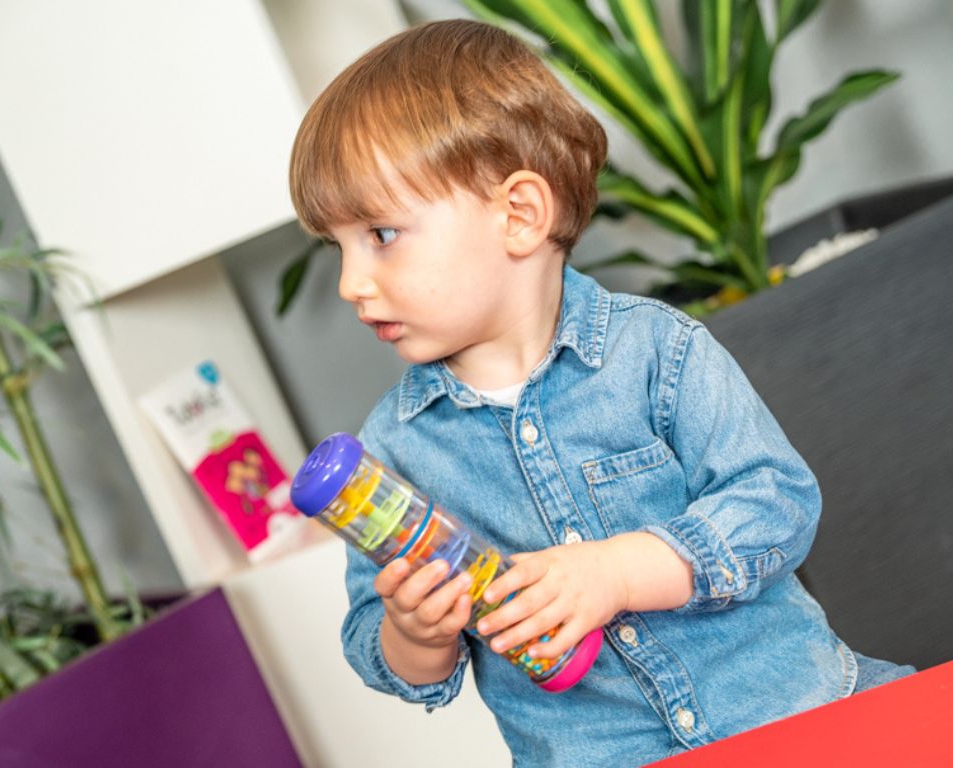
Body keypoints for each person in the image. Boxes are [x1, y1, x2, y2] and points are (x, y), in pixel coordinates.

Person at [288, 18, 912, 767]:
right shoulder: (392, 454)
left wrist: (618, 572)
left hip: (798, 718)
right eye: (339, 247)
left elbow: (777, 502)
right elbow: (377, 649)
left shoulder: (657, 351)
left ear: (518, 215)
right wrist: (414, 634)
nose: (352, 284)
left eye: (381, 234)